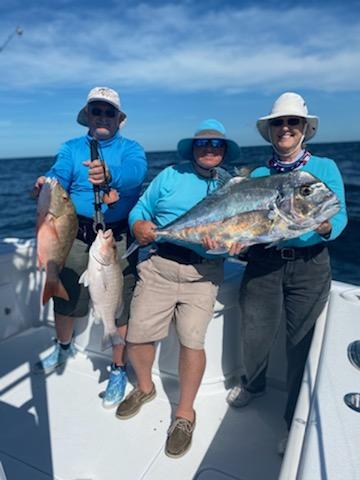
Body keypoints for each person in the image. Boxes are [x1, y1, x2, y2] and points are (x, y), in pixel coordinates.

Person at [225, 92, 348, 453]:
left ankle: (291, 418)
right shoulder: (260, 174)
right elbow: (247, 226)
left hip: (309, 266)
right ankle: (254, 384)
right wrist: (237, 241)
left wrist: (324, 227)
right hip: (264, 263)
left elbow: (338, 215)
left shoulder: (324, 168)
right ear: (271, 130)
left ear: (304, 129)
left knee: (300, 344)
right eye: (279, 122)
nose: (285, 128)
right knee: (255, 333)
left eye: (293, 122)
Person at [115, 119, 241, 458]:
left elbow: (243, 227)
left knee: (192, 341)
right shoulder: (170, 175)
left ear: (224, 151)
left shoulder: (231, 185)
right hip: (159, 266)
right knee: (138, 335)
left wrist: (235, 243)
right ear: (193, 149)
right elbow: (141, 208)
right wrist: (138, 224)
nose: (210, 150)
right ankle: (144, 388)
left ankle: (185, 414)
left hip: (203, 273)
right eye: (204, 144)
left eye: (217, 145)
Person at [32, 86, 148, 409]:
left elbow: (136, 173)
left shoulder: (131, 149)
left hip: (115, 240)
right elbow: (59, 173)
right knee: (64, 294)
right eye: (96, 111)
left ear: (118, 118)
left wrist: (110, 174)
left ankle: (118, 368)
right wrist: (46, 183)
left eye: (109, 112)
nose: (102, 117)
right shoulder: (71, 149)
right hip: (77, 236)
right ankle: (63, 345)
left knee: (118, 304)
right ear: (88, 115)